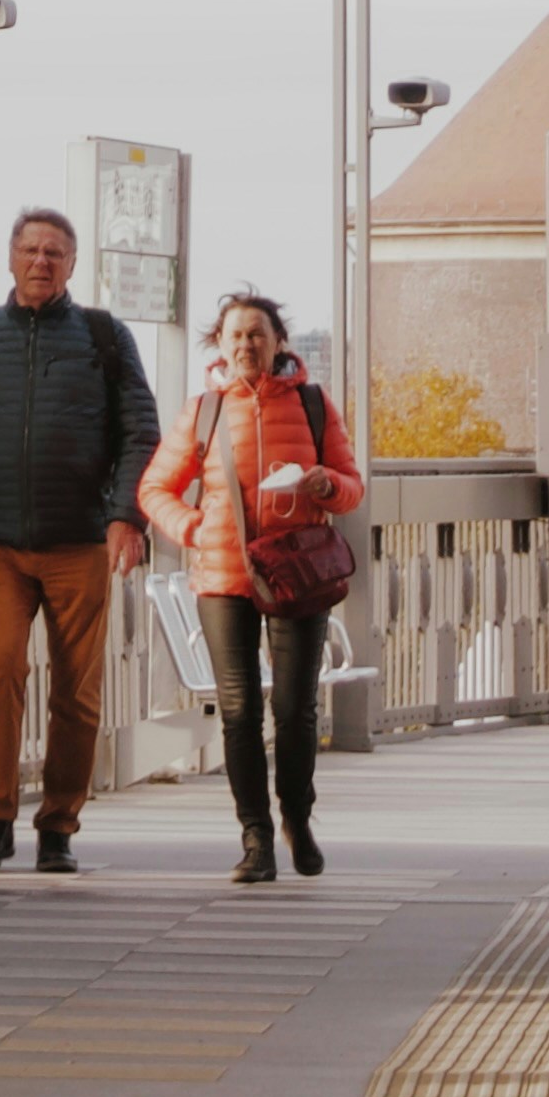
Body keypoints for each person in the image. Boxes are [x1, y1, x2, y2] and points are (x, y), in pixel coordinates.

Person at [0, 207, 160, 874]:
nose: (42, 262)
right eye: (31, 250)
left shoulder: (105, 337)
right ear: (11, 259)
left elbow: (142, 432)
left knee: (76, 690)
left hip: (80, 542)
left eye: (55, 252)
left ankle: (58, 827)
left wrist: (125, 517)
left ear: (73, 265)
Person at [136, 291, 364, 882]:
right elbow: (154, 489)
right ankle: (255, 839)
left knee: (294, 709)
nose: (247, 346)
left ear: (278, 342)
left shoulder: (314, 405)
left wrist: (325, 487)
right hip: (223, 578)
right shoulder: (204, 412)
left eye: (257, 335)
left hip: (297, 574)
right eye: (236, 336)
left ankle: (298, 818)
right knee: (238, 711)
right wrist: (194, 527)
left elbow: (352, 483)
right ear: (221, 344)